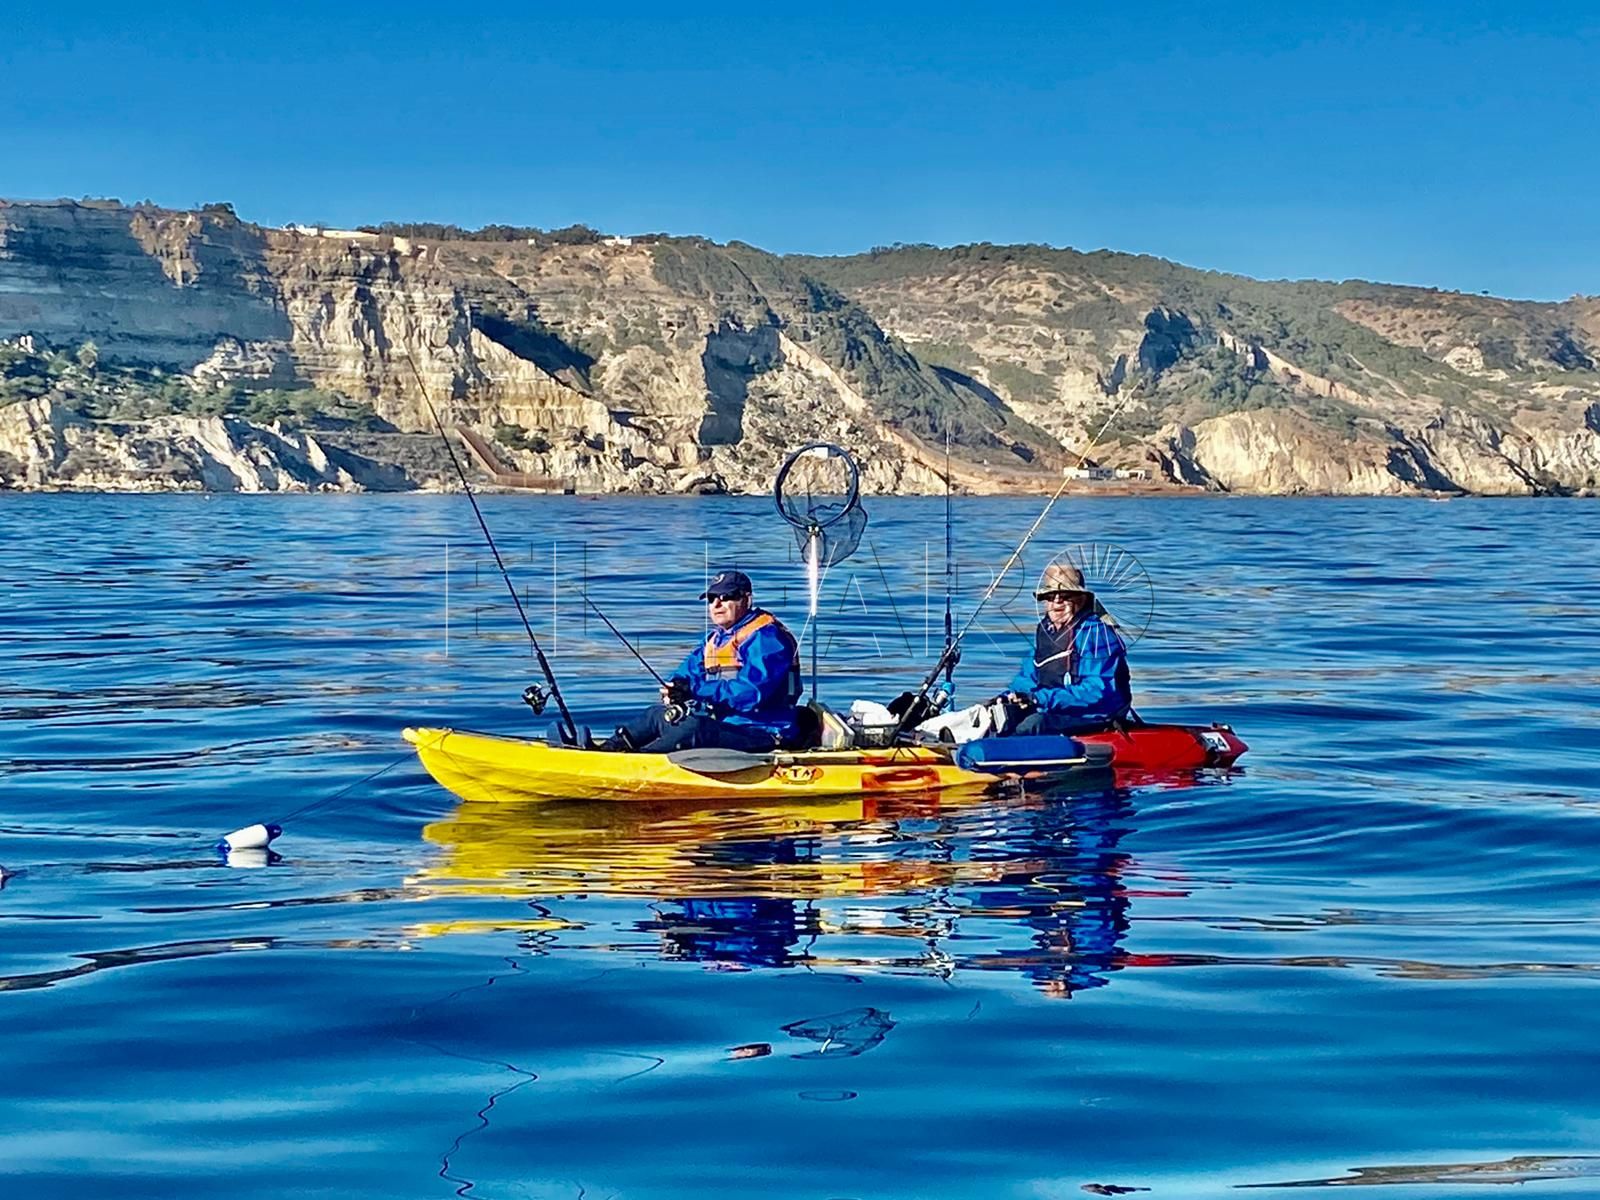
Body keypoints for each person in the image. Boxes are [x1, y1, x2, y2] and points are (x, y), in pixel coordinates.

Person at [597, 569, 803, 753]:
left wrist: (694, 690)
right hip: (724, 724)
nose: (716, 604)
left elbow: (751, 692)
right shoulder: (715, 639)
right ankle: (607, 750)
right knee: (655, 715)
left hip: (764, 731)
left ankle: (638, 762)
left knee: (692, 730)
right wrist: (676, 688)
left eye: (726, 597)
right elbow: (686, 674)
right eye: (711, 598)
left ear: (746, 599)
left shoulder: (767, 638)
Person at [997, 562, 1132, 734]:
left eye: (1065, 595)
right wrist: (1011, 697)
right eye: (1050, 596)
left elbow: (1097, 690)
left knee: (1033, 725)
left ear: (1081, 599)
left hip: (1095, 716)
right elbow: (1028, 677)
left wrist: (1039, 699)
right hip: (1053, 709)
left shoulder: (1097, 635)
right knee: (1000, 718)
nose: (1057, 601)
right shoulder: (1047, 632)